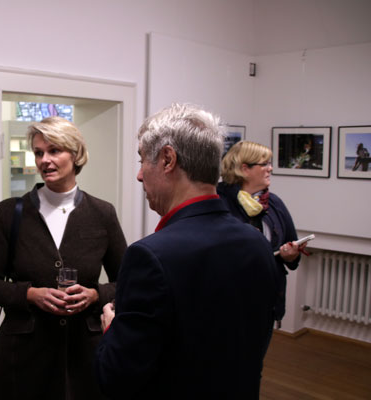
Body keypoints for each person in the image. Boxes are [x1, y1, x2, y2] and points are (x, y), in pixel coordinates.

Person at [94, 104, 278, 399]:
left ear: (168, 159)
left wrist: (111, 330)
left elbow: (117, 376)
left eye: (143, 161)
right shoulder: (255, 241)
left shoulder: (150, 256)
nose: (140, 175)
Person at [0, 116, 127, 400]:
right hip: (23, 356)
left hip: (84, 355)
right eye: (38, 152)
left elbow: (128, 282)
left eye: (54, 150)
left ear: (76, 154)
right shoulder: (11, 213)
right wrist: (30, 294)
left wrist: (95, 295)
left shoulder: (102, 213)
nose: (45, 160)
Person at [217, 140, 307, 327]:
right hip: (228, 300)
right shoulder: (218, 203)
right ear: (244, 169)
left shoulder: (275, 204)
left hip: (266, 301)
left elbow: (292, 249)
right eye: (264, 163)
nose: (270, 168)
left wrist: (290, 256)